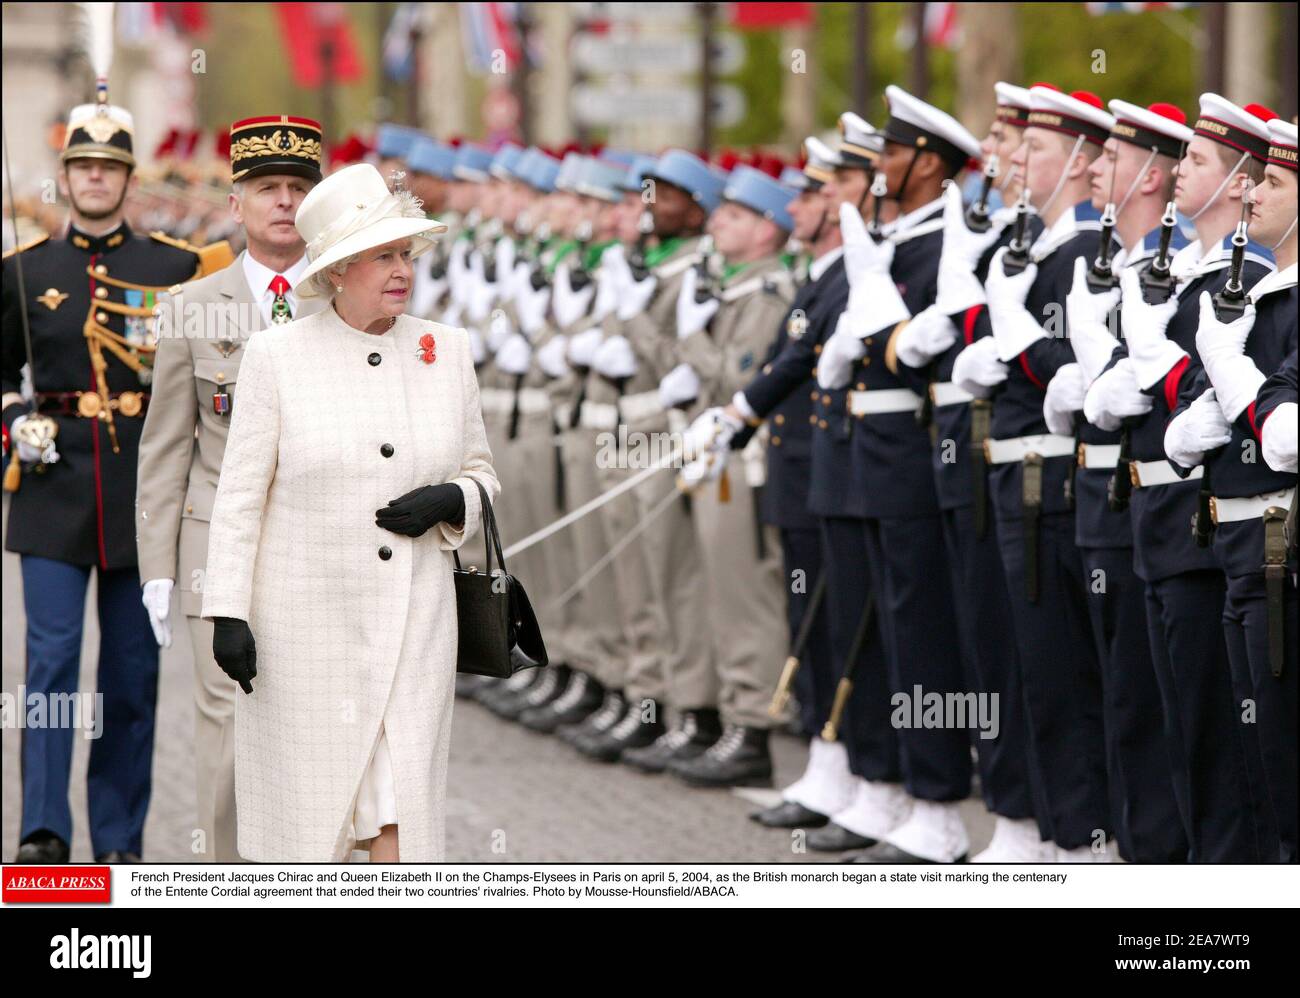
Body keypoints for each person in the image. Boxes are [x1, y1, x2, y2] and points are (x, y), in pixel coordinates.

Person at [200, 163, 499, 862]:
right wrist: (228, 613)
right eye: (383, 256)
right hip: (304, 635)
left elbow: (482, 474)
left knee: (399, 817)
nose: (402, 271)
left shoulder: (446, 352)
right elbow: (240, 497)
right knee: (314, 830)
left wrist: (455, 498)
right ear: (337, 270)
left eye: (406, 254)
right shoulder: (277, 358)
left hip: (415, 628)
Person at [2, 99, 207, 863]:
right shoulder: (23, 273)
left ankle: (118, 839)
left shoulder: (174, 268)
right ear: (65, 176)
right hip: (52, 489)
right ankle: (44, 830)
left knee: (131, 670)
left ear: (127, 176)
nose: (95, 177)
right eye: (83, 165)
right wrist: (14, 417)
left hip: (139, 492)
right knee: (51, 664)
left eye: (109, 166)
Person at [1083, 93, 1277, 861]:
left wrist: (1155, 372)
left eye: (1195, 160)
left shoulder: (1243, 279)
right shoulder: (1183, 273)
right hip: (1158, 525)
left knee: (1215, 748)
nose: (1178, 173)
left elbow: (1214, 409)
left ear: (1238, 182)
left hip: (1206, 533)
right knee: (1167, 728)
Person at [135, 114, 326, 862]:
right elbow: (165, 445)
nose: (283, 202)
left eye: (297, 189)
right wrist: (157, 566)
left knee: (314, 731)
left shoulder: (343, 300)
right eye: (266, 188)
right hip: (216, 546)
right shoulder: (191, 306)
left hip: (316, 549)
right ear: (237, 205)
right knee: (227, 735)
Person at [1164, 115, 1297, 861]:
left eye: (1274, 184)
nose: (1253, 196)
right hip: (1242, 546)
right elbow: (1190, 430)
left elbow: (1284, 438)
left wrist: (1230, 369)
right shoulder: (1261, 294)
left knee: (1279, 761)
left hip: (1282, 549)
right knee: (1256, 759)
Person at [659, 164, 797, 786]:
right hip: (715, 458)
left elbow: (735, 379)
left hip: (741, 462)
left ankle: (753, 727)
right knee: (712, 590)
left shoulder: (767, 296)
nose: (717, 220)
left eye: (736, 215)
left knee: (745, 597)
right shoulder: (734, 286)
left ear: (769, 231)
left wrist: (689, 338)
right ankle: (728, 715)